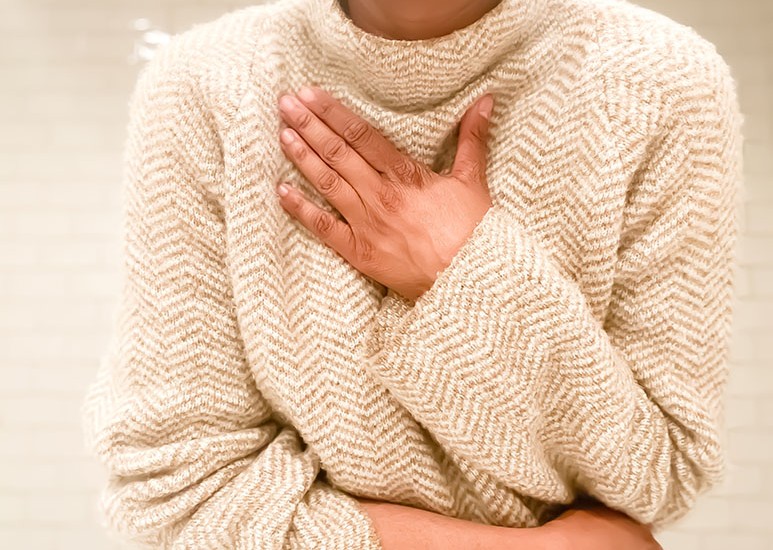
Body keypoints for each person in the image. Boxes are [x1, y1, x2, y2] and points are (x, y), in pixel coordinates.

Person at [81, 0, 743, 548]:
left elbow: (660, 469)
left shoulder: (659, 80)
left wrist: (454, 269)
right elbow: (175, 498)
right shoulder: (205, 82)